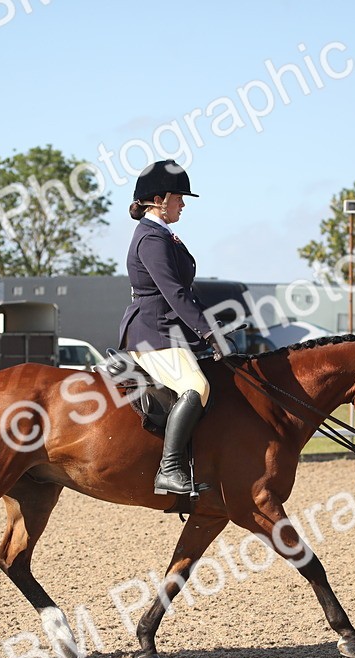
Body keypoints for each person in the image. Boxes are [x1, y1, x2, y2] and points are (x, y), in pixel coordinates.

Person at [117, 159, 221, 496]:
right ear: (160, 199)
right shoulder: (151, 238)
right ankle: (170, 469)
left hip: (168, 332)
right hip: (153, 334)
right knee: (196, 387)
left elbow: (186, 291)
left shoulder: (163, 235)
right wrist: (207, 332)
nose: (183, 204)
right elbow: (173, 293)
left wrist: (215, 326)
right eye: (179, 197)